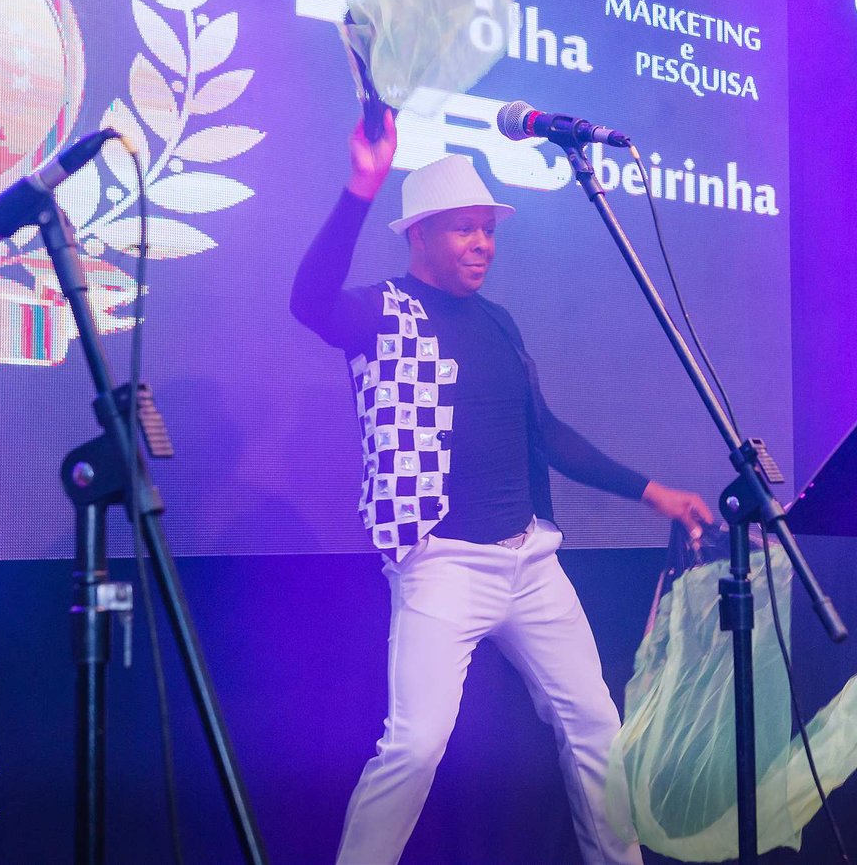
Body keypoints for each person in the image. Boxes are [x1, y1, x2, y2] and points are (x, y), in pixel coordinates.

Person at [291, 110, 716, 865]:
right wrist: (361, 187)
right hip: (443, 563)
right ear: (420, 235)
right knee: (415, 745)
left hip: (531, 562)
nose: (482, 243)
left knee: (597, 726)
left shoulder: (498, 322)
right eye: (464, 228)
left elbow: (544, 433)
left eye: (488, 229)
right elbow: (308, 300)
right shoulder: (382, 312)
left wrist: (652, 490)